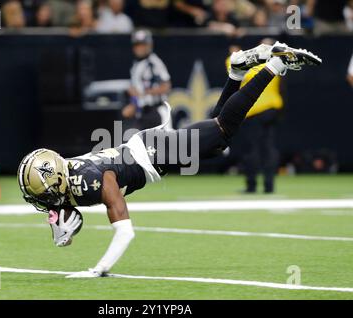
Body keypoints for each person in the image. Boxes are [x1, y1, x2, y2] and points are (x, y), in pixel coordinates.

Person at [17, 42, 321, 278]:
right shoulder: (67, 174)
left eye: (40, 193)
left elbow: (125, 231)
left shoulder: (95, 180)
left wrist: (99, 268)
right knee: (215, 140)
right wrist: (60, 222)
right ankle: (237, 71)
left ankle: (275, 64)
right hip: (146, 150)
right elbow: (66, 217)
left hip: (153, 152)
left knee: (222, 131)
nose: (41, 200)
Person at [215, 39, 284, 194]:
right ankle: (269, 185)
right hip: (273, 108)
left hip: (255, 110)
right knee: (268, 147)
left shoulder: (254, 64)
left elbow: (235, 69)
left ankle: (251, 185)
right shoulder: (276, 61)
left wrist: (238, 53)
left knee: (251, 149)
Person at [122, 29, 172, 130]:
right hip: (143, 113)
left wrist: (143, 92)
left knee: (166, 143)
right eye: (137, 45)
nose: (140, 48)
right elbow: (136, 91)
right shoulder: (136, 65)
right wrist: (133, 104)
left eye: (143, 45)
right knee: (135, 142)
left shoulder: (154, 63)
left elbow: (166, 86)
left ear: (149, 45)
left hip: (157, 111)